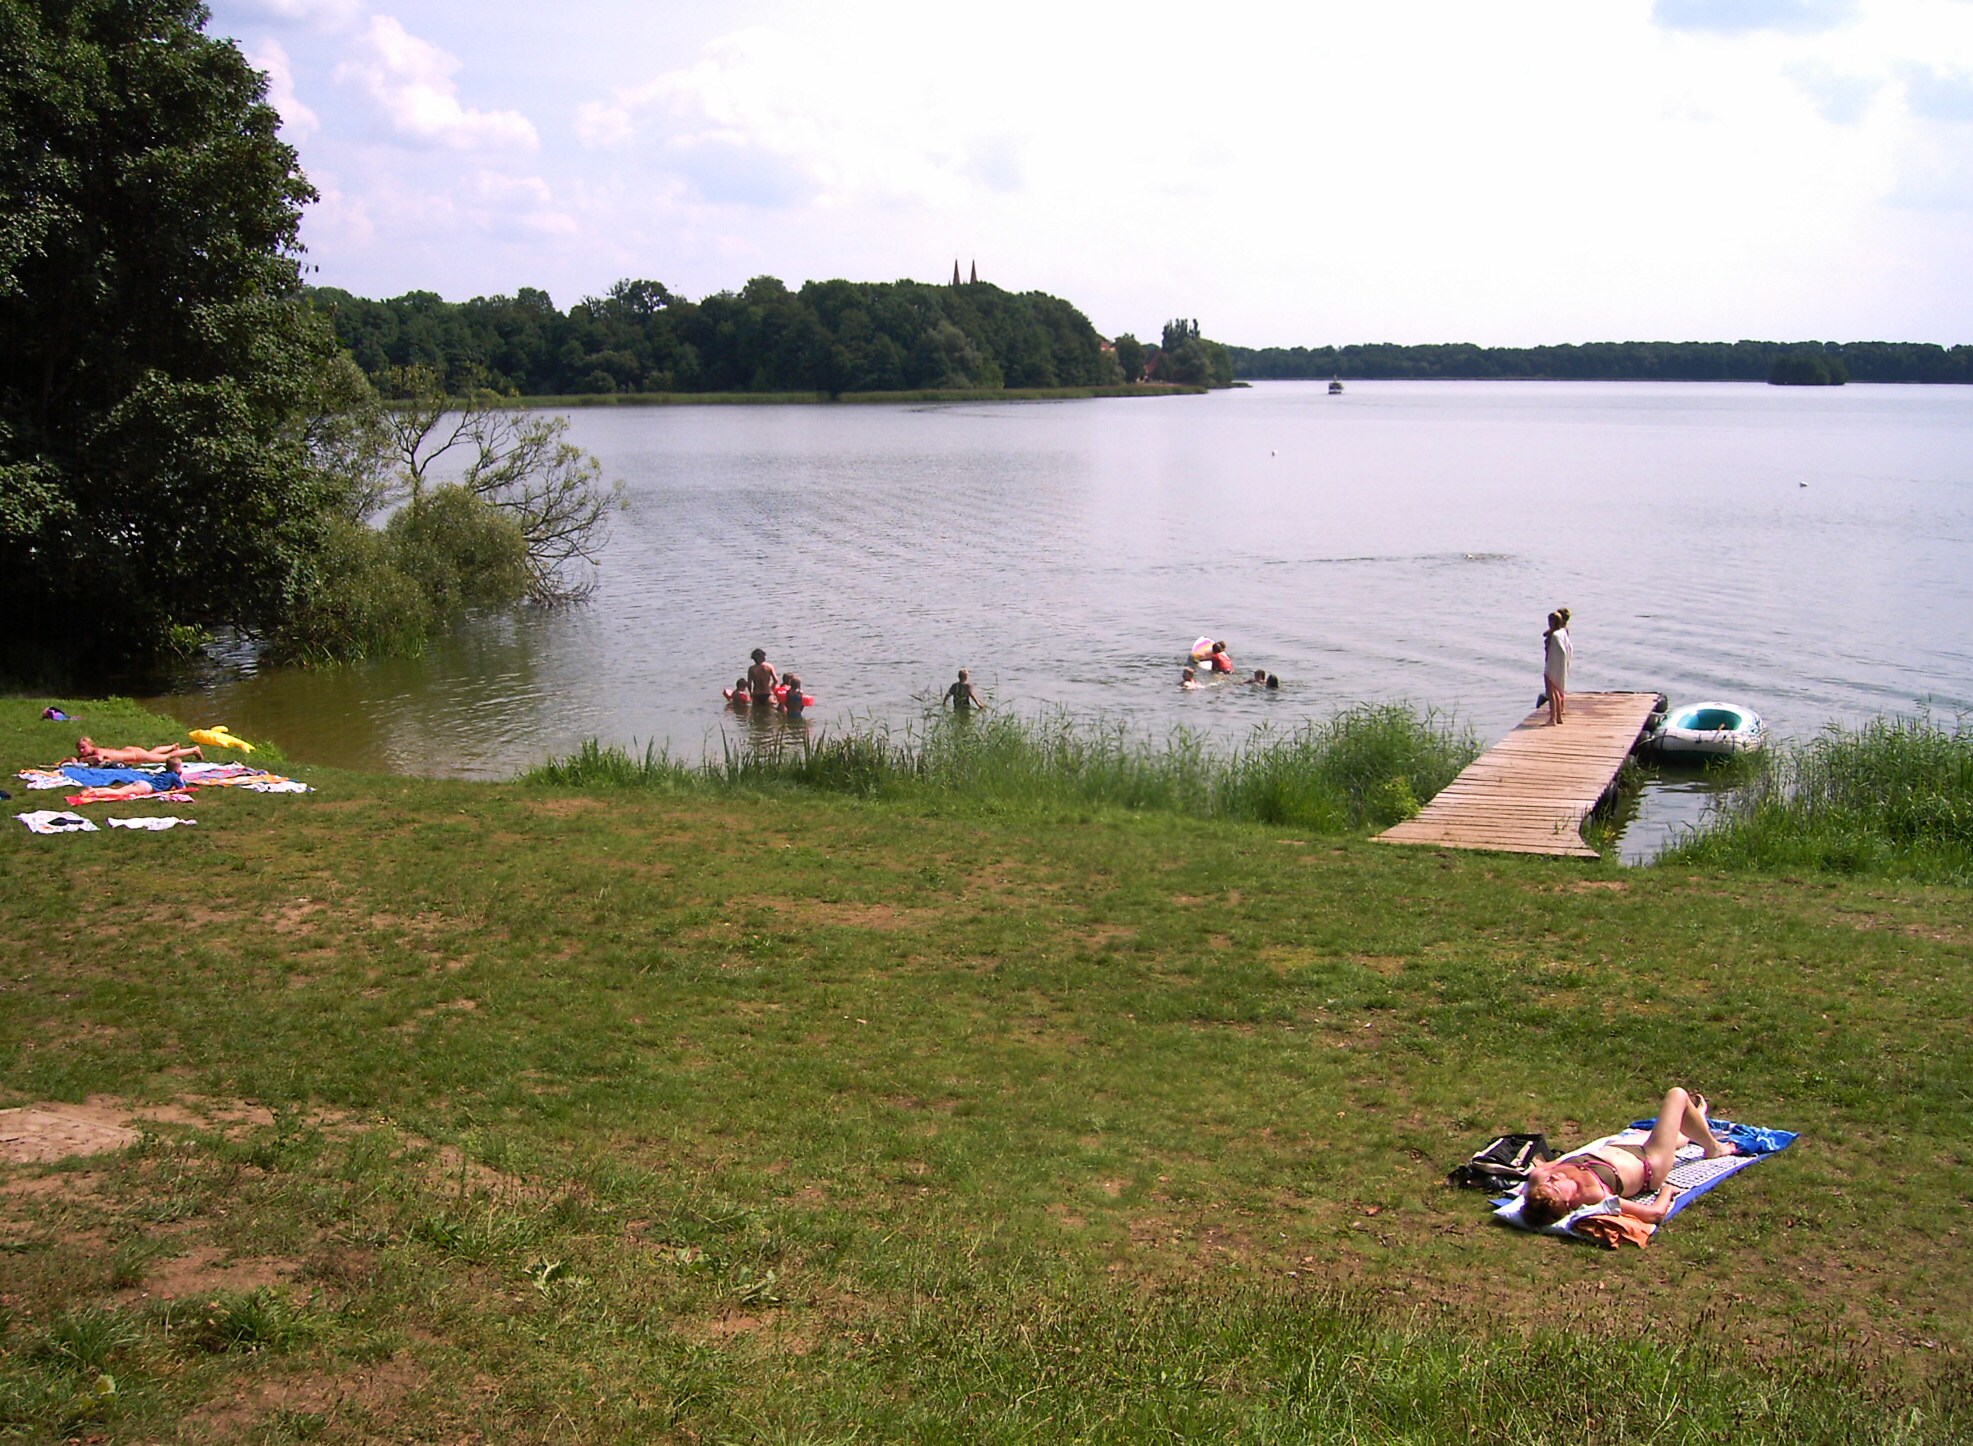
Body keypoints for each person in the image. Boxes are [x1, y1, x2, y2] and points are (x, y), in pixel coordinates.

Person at [1519, 1086, 1739, 1228]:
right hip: (1650, 1163)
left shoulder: (1539, 1177)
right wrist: (1667, 1191)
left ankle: (1697, 1119)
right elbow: (1653, 1214)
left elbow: (1547, 1167)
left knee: (1676, 1134)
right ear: (1568, 1204)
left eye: (1548, 1182)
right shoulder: (1593, 1196)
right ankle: (1714, 1148)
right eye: (1555, 1187)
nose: (1554, 1179)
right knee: (1677, 1095)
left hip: (1623, 1148)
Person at [74, 737, 202, 765]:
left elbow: (99, 759)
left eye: (83, 747)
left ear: (91, 746)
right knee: (151, 753)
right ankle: (172, 746)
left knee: (166, 758)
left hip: (135, 754)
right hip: (129, 751)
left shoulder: (97, 752)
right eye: (79, 748)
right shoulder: (94, 751)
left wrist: (83, 760)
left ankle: (193, 750)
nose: (81, 750)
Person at [1542, 608, 1572, 725]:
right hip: (1558, 665)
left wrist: (1552, 666)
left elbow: (1558, 651)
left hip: (1552, 664)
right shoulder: (1562, 632)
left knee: (1551, 691)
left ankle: (1552, 719)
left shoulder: (1555, 636)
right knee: (1557, 691)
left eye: (1549, 622)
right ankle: (1558, 717)